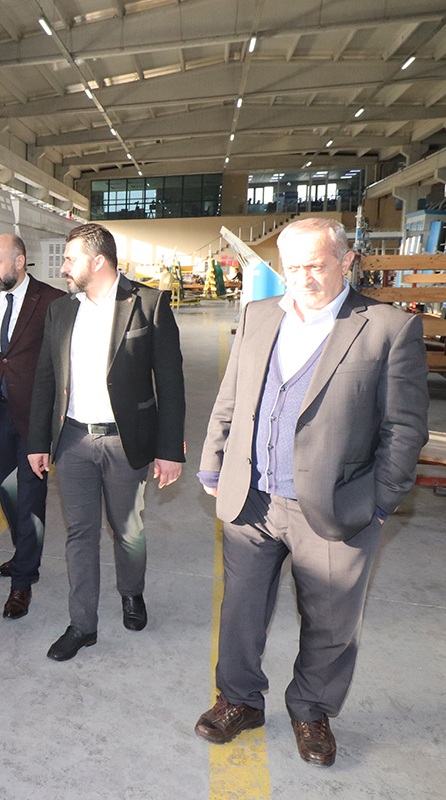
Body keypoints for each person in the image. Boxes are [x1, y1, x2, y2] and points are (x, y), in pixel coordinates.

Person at [194, 218, 428, 767]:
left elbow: (405, 428)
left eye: (316, 265)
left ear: (346, 262)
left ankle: (311, 709)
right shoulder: (258, 315)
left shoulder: (388, 327)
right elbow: (232, 396)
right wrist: (213, 461)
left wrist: (379, 501)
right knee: (241, 610)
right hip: (252, 498)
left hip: (336, 503)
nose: (303, 278)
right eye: (293, 267)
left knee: (330, 621)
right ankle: (239, 699)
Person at [27, 222, 185, 661]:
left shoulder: (148, 304)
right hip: (74, 440)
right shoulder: (61, 311)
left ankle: (131, 591)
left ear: (98, 262)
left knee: (128, 530)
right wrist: (39, 441)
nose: (63, 268)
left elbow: (171, 384)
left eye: (70, 259)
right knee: (80, 533)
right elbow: (45, 379)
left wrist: (169, 450)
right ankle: (83, 625)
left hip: (124, 442)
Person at [0, 233, 65, 619]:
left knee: (30, 497)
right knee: (7, 492)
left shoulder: (52, 301)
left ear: (19, 261)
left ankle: (23, 581)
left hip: (36, 415)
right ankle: (23, 552)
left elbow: (62, 360)